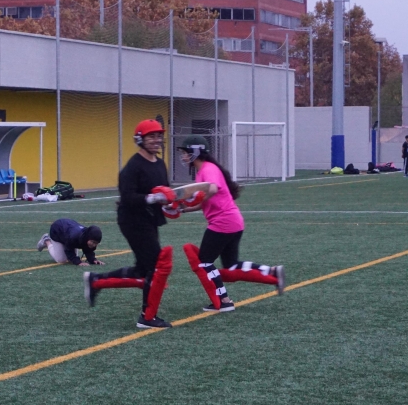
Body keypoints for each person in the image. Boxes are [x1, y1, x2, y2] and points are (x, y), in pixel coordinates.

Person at [175, 135, 285, 312]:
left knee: (204, 262)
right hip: (234, 221)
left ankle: (224, 300)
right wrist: (183, 209)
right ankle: (271, 270)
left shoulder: (207, 169)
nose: (184, 156)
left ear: (196, 152)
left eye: (186, 152)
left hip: (223, 221)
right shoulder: (205, 170)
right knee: (232, 264)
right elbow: (204, 201)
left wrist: (190, 197)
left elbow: (211, 189)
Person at [83, 119, 176, 329]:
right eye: (151, 136)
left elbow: (165, 192)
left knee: (143, 270)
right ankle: (147, 317)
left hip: (150, 220)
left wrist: (172, 205)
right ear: (139, 139)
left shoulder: (160, 163)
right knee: (156, 265)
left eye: (158, 136)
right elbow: (127, 197)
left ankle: (96, 281)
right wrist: (151, 199)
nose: (156, 140)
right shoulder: (133, 167)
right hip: (133, 221)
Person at [37, 219, 105, 266]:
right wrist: (77, 262)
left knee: (71, 259)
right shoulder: (74, 236)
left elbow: (88, 249)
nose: (94, 245)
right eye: (93, 242)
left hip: (67, 232)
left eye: (96, 243)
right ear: (88, 237)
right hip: (57, 230)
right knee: (61, 260)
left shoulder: (86, 236)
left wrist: (93, 260)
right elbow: (68, 249)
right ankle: (46, 241)